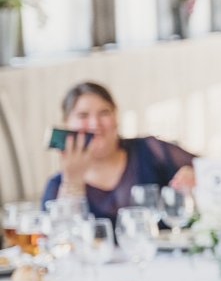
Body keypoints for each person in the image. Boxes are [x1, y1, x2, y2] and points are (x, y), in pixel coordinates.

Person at [42, 81, 196, 222]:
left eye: (104, 113)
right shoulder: (56, 185)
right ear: (66, 123)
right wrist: (72, 182)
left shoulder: (150, 150)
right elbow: (62, 240)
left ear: (116, 117)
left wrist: (193, 176)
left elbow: (211, 170)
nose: (95, 123)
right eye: (83, 115)